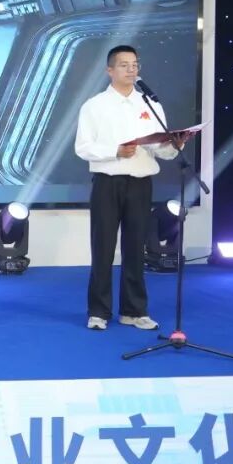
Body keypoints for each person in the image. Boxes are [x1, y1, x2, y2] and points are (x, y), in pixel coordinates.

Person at [75, 45, 190, 332]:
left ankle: (134, 310)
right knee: (102, 248)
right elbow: (83, 147)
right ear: (109, 70)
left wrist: (174, 145)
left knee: (136, 248)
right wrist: (114, 151)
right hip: (107, 182)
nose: (131, 69)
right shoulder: (94, 105)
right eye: (124, 65)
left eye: (135, 64)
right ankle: (98, 311)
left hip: (140, 183)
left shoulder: (150, 104)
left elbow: (160, 150)